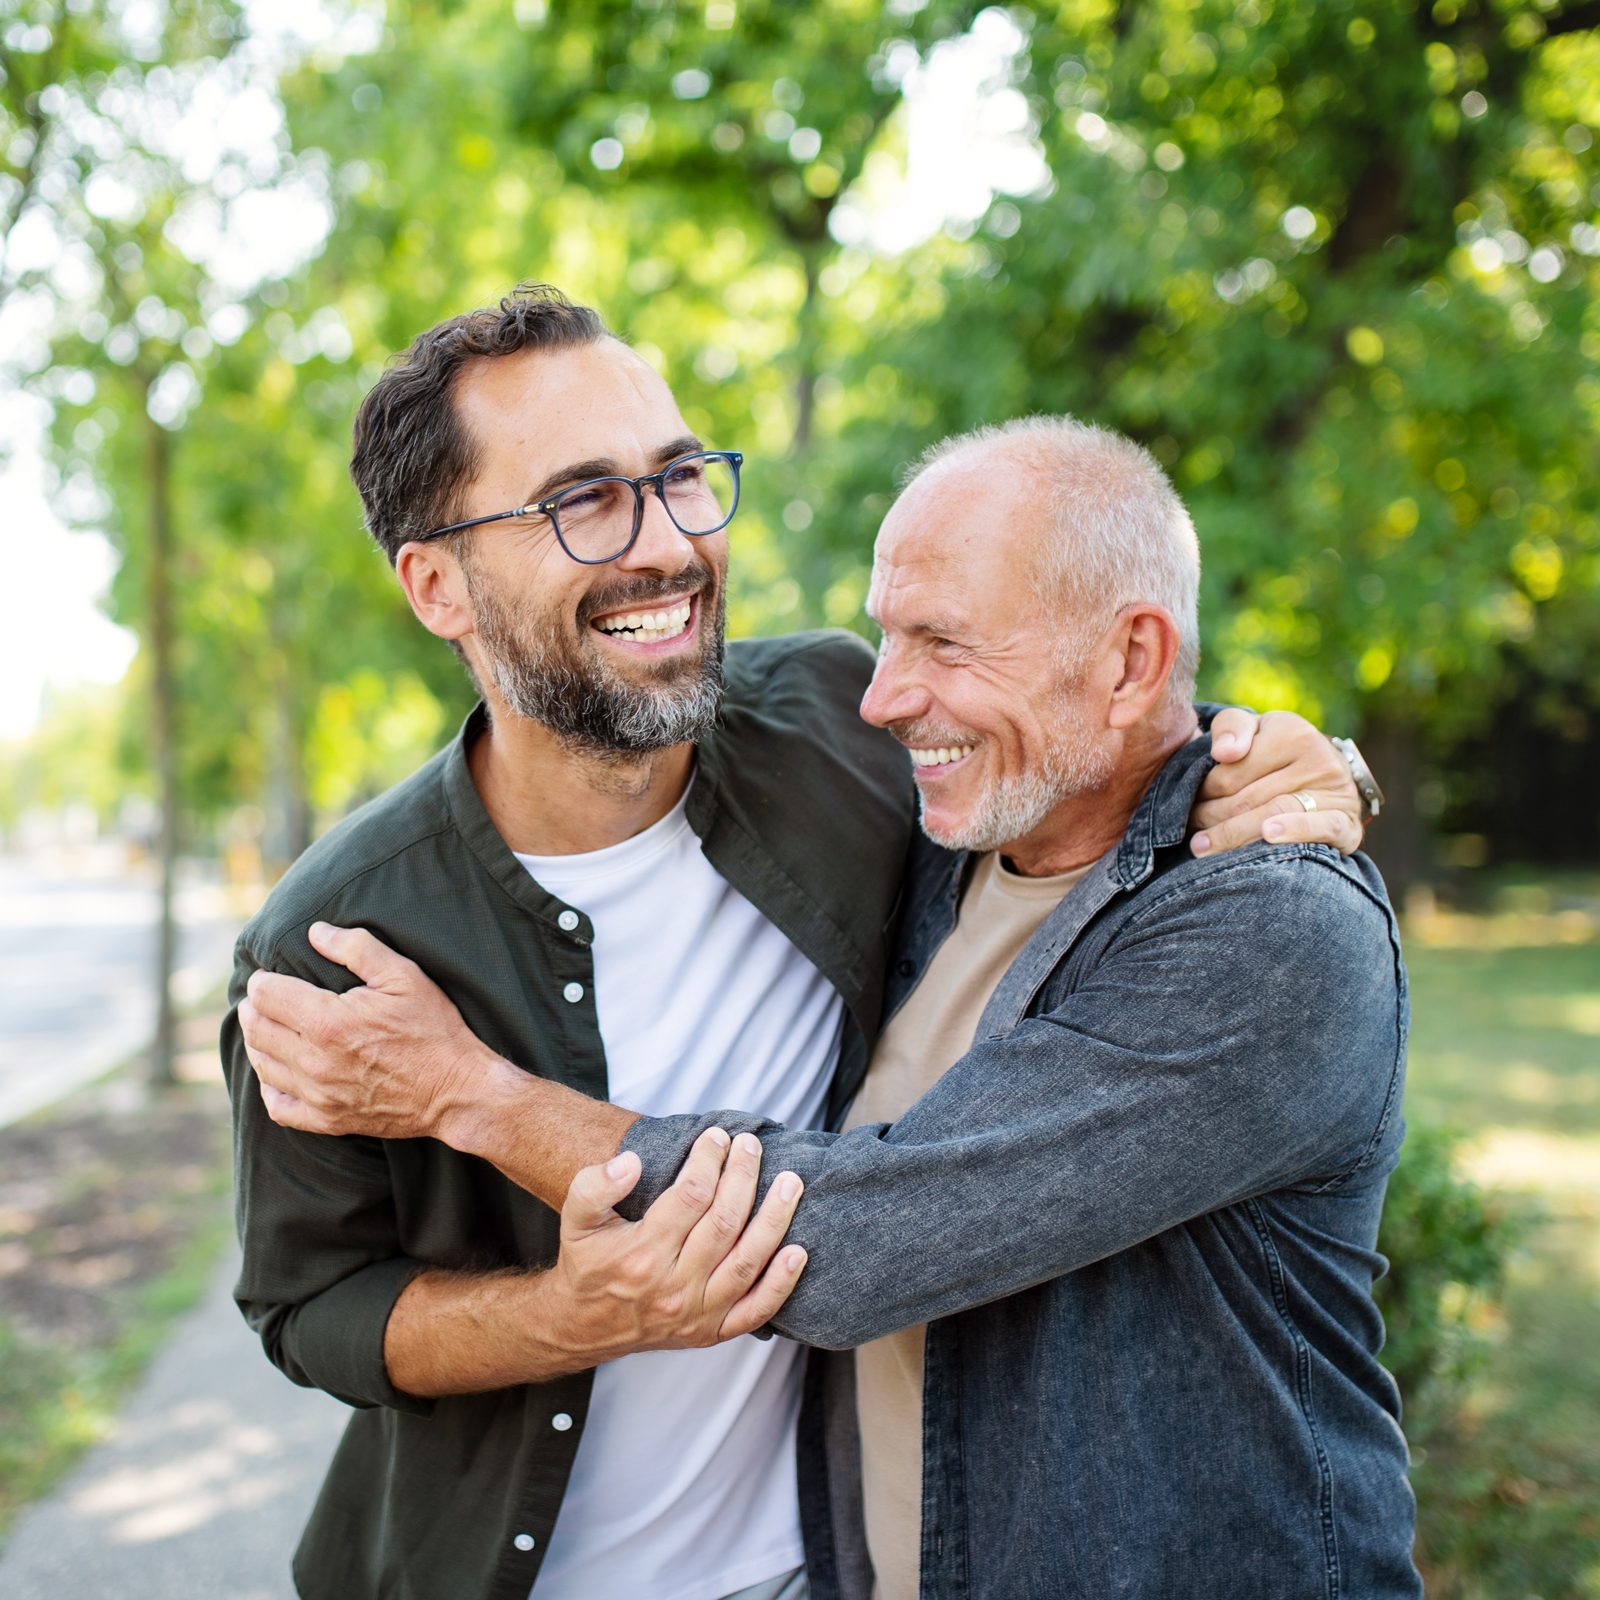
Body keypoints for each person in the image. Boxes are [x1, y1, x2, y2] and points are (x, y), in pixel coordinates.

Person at [226, 284, 1373, 1600]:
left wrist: (1290, 757)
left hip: (807, 1571)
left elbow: (1073, 720)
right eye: (582, 500)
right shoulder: (340, 944)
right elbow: (312, 1311)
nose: (662, 545)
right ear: (438, 584)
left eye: (677, 479)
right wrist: (570, 1315)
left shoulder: (840, 726)